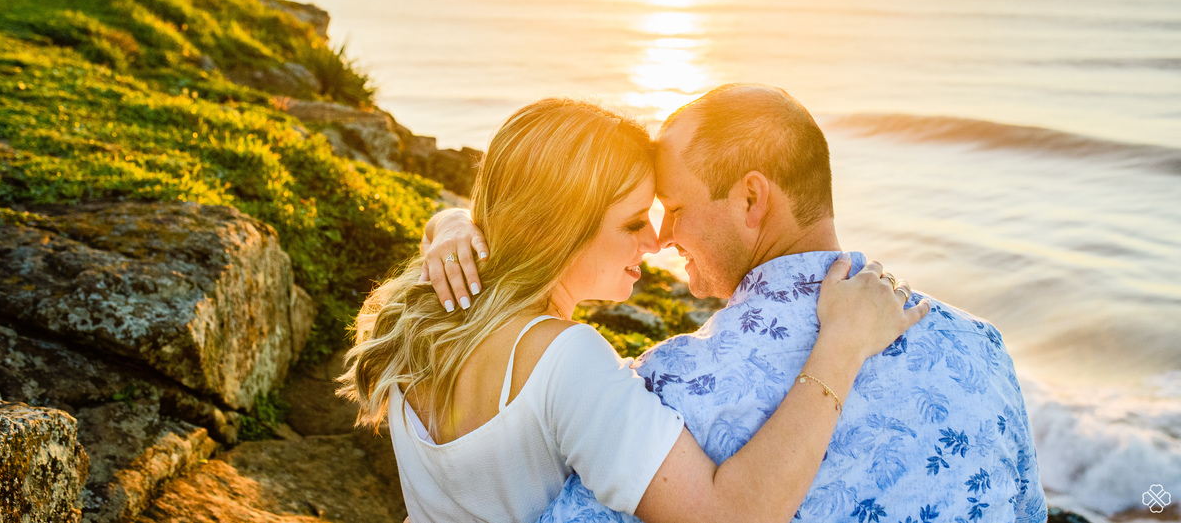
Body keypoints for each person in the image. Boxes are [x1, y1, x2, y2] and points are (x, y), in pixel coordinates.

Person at [428, 85, 1047, 523]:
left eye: (674, 208)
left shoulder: (674, 389)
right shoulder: (981, 344)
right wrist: (458, 224)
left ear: (752, 200)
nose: (663, 237)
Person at [340, 97, 928, 523]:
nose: (654, 242)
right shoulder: (564, 360)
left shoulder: (412, 311)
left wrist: (451, 224)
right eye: (632, 223)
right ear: (559, 231)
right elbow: (727, 516)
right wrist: (842, 345)